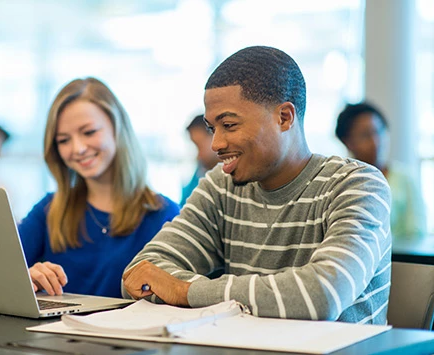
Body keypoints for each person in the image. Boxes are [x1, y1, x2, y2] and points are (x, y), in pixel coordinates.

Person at [122, 46, 391, 324]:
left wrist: (185, 290)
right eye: (213, 128)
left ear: (284, 118)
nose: (216, 144)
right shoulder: (221, 185)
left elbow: (320, 296)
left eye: (229, 125)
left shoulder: (358, 185)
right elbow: (141, 274)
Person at [17, 77, 180, 298]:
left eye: (89, 132)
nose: (78, 148)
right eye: (64, 140)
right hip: (54, 332)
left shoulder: (162, 214)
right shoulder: (48, 210)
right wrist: (25, 277)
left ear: (117, 128)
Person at [335, 102, 427, 240]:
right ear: (348, 142)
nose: (375, 142)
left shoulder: (404, 178)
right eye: (365, 135)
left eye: (379, 131)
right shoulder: (340, 180)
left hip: (400, 259)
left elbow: (417, 231)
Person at [180, 114, 220, 206]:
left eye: (198, 146)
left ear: (215, 138)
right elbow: (185, 205)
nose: (197, 156)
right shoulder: (201, 169)